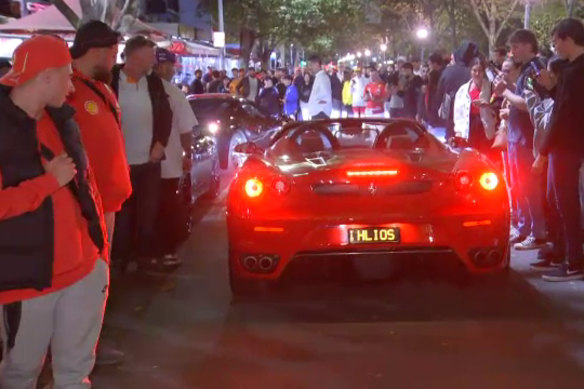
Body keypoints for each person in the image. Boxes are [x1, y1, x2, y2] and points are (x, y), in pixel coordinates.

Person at [0, 35, 108, 388]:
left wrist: (99, 251)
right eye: (66, 76)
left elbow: (86, 186)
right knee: (19, 374)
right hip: (28, 281)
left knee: (75, 375)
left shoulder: (61, 119)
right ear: (45, 76)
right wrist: (47, 183)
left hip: (83, 270)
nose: (72, 87)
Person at [67, 20, 132, 366]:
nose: (115, 60)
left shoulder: (100, 87)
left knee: (99, 281)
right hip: (83, 206)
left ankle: (88, 344)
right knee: (85, 280)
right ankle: (79, 350)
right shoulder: (64, 87)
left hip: (108, 201)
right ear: (97, 51)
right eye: (113, 53)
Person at [110, 36, 173, 270]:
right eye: (150, 55)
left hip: (149, 161)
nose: (154, 60)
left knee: (148, 211)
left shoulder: (153, 83)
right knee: (122, 214)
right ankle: (121, 257)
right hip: (119, 162)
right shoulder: (111, 80)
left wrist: (161, 143)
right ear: (135, 55)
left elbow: (165, 115)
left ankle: (145, 256)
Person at [537, 19, 584, 281]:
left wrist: (543, 151)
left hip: (566, 145)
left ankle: (573, 260)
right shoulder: (572, 70)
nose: (554, 46)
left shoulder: (574, 71)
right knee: (564, 202)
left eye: (556, 40)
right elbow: (566, 105)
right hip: (571, 143)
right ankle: (567, 255)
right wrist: (552, 88)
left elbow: (562, 115)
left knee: (565, 203)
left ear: (568, 39)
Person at [493, 29, 547, 251]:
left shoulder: (535, 68)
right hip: (517, 137)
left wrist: (504, 91)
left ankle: (538, 231)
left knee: (529, 186)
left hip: (527, 139)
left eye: (516, 47)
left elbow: (527, 103)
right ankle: (525, 226)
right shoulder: (527, 69)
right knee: (519, 185)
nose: (513, 52)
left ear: (528, 46)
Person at [152, 48, 197, 269]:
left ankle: (149, 252)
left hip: (140, 163)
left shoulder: (136, 90)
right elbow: (186, 130)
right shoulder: (173, 93)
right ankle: (167, 251)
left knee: (149, 207)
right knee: (168, 207)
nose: (171, 70)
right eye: (169, 66)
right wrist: (188, 154)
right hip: (167, 164)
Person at [524, 57, 568, 271]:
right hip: (553, 156)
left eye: (549, 74)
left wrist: (541, 156)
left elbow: (547, 126)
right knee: (553, 202)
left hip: (563, 156)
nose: (543, 77)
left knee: (563, 205)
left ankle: (566, 253)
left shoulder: (563, 99)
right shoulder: (553, 97)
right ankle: (558, 249)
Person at [452, 57, 496, 155]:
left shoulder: (491, 86)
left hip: (485, 125)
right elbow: (458, 112)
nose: (477, 74)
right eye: (474, 70)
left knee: (486, 154)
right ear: (470, 71)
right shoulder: (463, 90)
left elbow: (496, 103)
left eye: (480, 71)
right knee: (470, 154)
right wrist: (458, 130)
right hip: (470, 125)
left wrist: (487, 105)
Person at [435, 41, 479, 139]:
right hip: (474, 121)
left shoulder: (448, 72)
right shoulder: (478, 72)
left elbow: (439, 96)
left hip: (452, 120)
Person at [307, 55, 332, 119]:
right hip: (317, 113)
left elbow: (327, 98)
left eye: (311, 65)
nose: (309, 67)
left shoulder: (323, 78)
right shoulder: (318, 77)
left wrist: (316, 103)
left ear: (317, 64)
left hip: (320, 114)